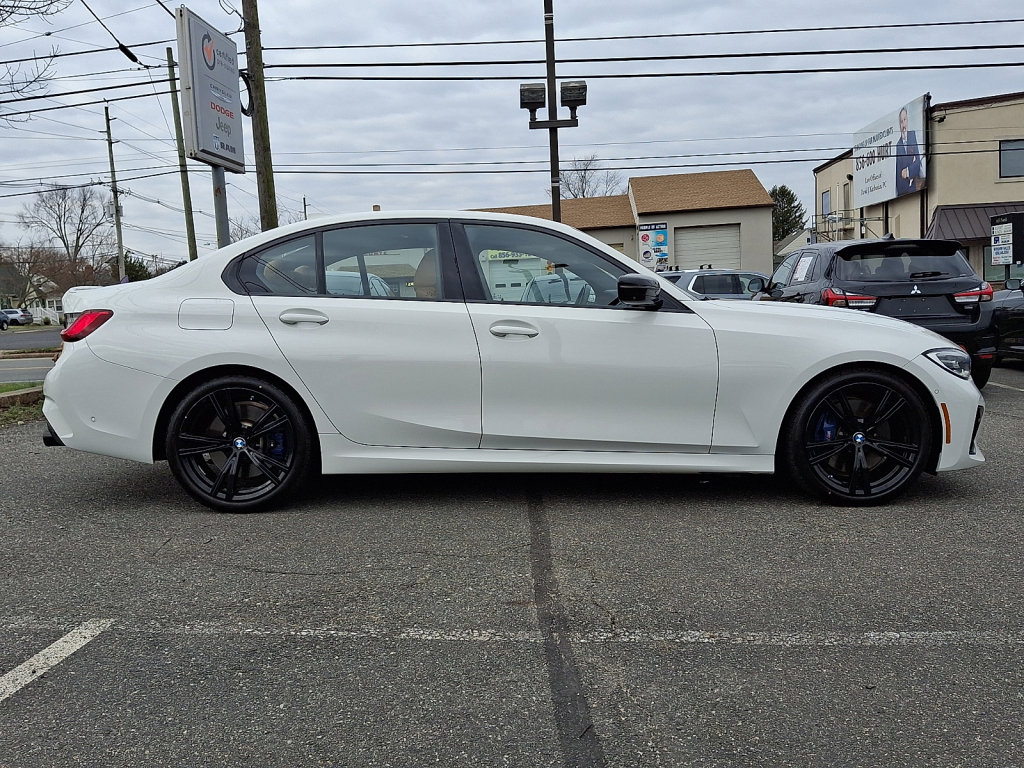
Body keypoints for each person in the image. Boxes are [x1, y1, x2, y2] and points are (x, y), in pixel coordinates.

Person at [895, 106, 922, 195]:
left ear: (908, 120)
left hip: (915, 187)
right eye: (901, 122)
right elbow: (899, 174)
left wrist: (908, 170)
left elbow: (919, 161)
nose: (903, 124)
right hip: (904, 192)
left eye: (905, 120)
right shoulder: (898, 145)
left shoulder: (913, 136)